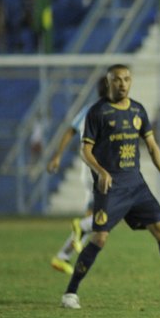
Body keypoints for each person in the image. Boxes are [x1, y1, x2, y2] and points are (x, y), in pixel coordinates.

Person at [60, 64, 160, 309]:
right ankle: (70, 292)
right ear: (108, 83)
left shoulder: (137, 110)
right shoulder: (97, 112)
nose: (122, 84)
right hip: (110, 188)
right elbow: (85, 150)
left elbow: (153, 147)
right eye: (117, 80)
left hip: (136, 186)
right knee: (99, 238)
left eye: (126, 79)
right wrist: (101, 172)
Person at [47, 77, 110, 275]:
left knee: (93, 217)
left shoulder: (88, 109)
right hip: (99, 172)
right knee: (109, 215)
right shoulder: (106, 112)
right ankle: (79, 227)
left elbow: (70, 131)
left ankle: (62, 256)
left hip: (90, 171)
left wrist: (57, 156)